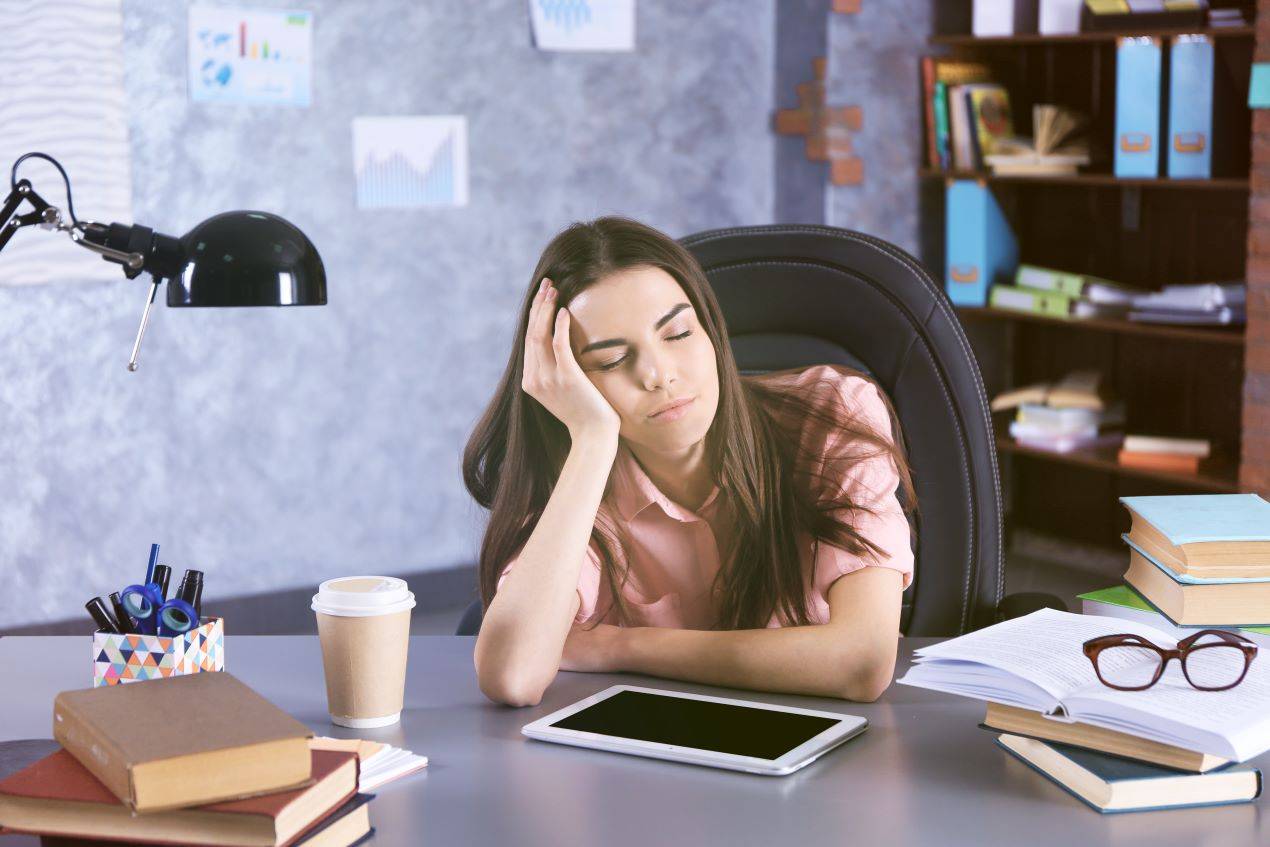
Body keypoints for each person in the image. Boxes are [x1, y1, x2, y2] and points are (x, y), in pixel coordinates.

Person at [463, 217, 917, 707]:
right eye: (612, 361)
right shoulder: (578, 485)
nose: (659, 375)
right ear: (568, 381)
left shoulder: (832, 414)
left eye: (678, 333)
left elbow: (862, 662)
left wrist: (622, 644)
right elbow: (512, 676)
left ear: (711, 330)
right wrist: (593, 442)